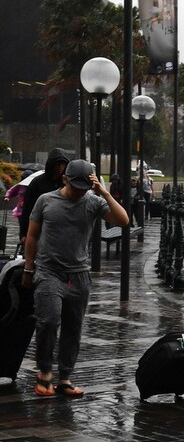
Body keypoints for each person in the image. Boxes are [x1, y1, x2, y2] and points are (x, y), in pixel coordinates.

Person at [20, 159, 128, 397]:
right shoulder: (46, 201)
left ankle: (65, 378)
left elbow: (123, 221)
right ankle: (45, 374)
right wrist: (29, 268)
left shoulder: (92, 201)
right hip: (48, 271)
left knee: (73, 328)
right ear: (65, 179)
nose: (80, 191)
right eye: (76, 186)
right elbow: (32, 236)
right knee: (48, 321)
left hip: (79, 275)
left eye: (84, 187)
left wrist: (104, 193)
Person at [19, 148, 69, 247]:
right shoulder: (37, 183)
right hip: (39, 226)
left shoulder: (67, 183)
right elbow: (27, 209)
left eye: (62, 165)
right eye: (57, 164)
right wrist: (24, 234)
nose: (60, 168)